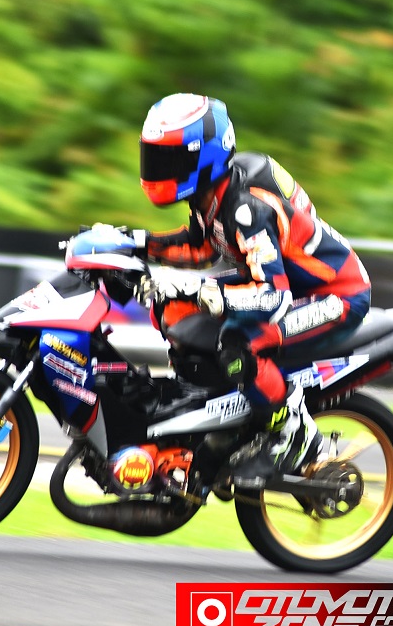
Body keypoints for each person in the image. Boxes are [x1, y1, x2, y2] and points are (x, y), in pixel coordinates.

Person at [133, 93, 372, 488]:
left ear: (204, 158)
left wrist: (210, 294)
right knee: (172, 308)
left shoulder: (247, 208)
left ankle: (293, 436)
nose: (158, 168)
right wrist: (131, 244)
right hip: (288, 286)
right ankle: (205, 406)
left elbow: (273, 298)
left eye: (169, 159)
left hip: (337, 294)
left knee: (241, 343)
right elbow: (201, 248)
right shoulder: (211, 193)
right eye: (154, 156)